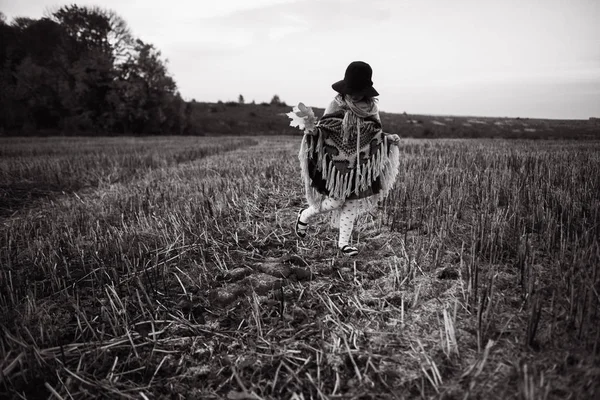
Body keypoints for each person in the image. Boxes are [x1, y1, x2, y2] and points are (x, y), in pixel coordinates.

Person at [295, 61, 401, 256]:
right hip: (337, 165)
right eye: (351, 90)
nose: (354, 94)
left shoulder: (371, 108)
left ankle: (343, 244)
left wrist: (387, 139)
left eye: (359, 90)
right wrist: (313, 132)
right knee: (334, 202)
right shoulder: (336, 103)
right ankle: (305, 214)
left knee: (351, 204)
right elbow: (326, 127)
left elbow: (374, 133)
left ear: (367, 91)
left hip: (360, 165)